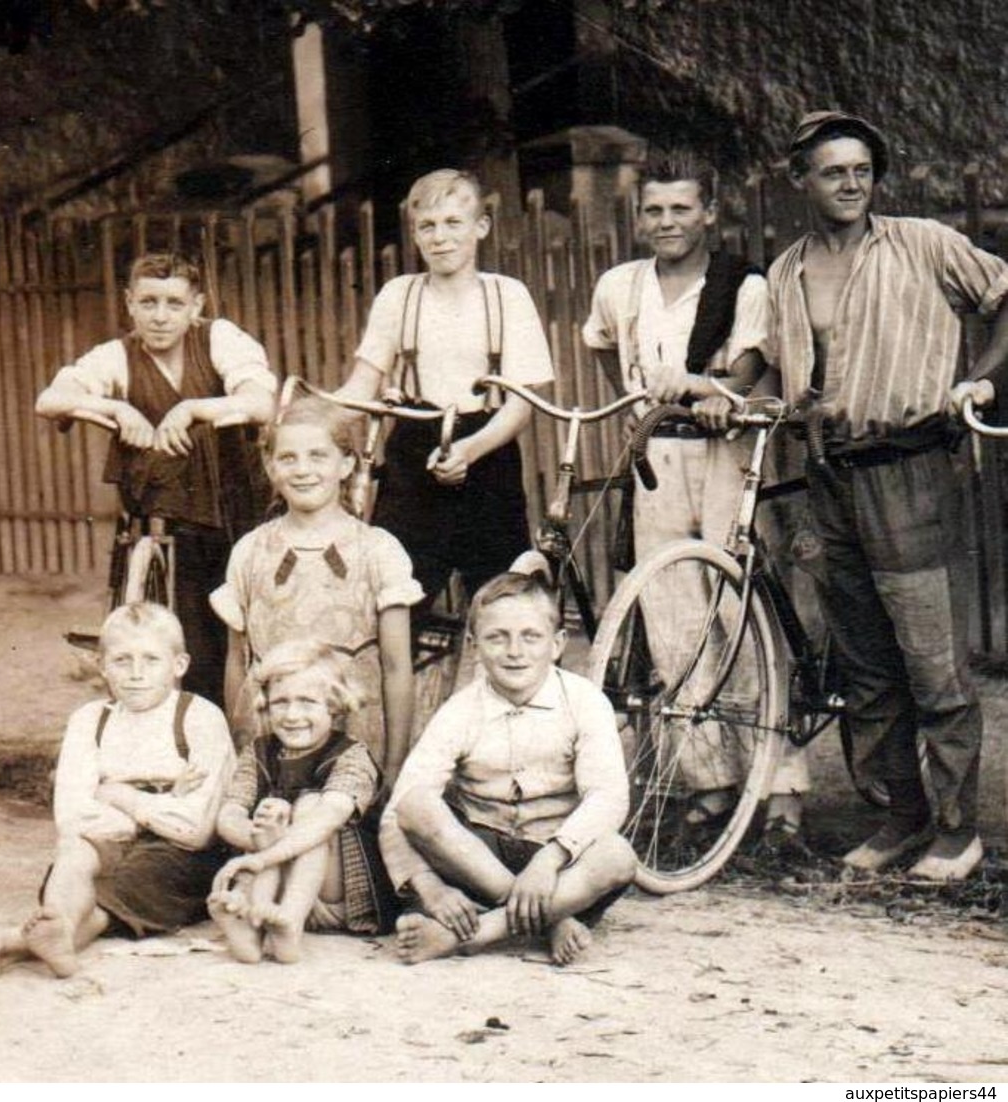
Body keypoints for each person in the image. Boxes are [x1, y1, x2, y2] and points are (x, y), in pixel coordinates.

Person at [771, 111, 1008, 881]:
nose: (849, 182)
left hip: (910, 471)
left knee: (930, 661)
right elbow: (786, 376)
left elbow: (1005, 296)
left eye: (860, 168)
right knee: (865, 667)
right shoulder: (784, 272)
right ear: (799, 180)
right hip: (828, 478)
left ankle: (953, 831)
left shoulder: (923, 244)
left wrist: (982, 378)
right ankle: (896, 816)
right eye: (831, 170)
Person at [581, 151, 809, 841]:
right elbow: (601, 345)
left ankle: (779, 784)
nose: (665, 222)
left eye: (680, 208)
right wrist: (632, 397)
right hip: (656, 457)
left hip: (722, 459)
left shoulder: (740, 284)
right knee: (671, 617)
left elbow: (745, 367)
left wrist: (717, 394)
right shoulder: (620, 286)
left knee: (737, 612)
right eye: (653, 209)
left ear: (708, 212)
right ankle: (708, 780)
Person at [0, 602, 234, 981]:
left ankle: (4, 940)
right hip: (115, 842)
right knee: (73, 851)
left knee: (135, 876)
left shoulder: (199, 718)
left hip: (180, 860)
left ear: (178, 665)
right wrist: (161, 804)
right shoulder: (90, 721)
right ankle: (47, 934)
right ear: (100, 665)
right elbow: (73, 817)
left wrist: (118, 795)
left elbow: (195, 829)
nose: (135, 674)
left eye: (151, 660)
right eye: (121, 660)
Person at [34, 253, 277, 705]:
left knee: (251, 632)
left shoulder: (220, 338)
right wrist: (117, 408)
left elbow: (261, 402)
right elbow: (51, 400)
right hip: (164, 516)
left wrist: (191, 409)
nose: (160, 316)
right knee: (189, 640)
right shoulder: (117, 356)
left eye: (173, 303)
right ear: (129, 303)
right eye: (148, 302)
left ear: (195, 305)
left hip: (236, 508)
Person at [381, 572, 636, 966]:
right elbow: (400, 808)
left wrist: (550, 859)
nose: (514, 651)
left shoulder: (585, 701)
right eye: (496, 637)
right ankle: (551, 920)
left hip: (559, 868)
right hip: (477, 859)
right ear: (474, 646)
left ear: (557, 645)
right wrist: (430, 887)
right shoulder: (461, 711)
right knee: (416, 805)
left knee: (617, 856)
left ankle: (479, 933)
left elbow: (608, 796)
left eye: (530, 636)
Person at [339, 168, 554, 609]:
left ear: (481, 227)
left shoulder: (507, 296)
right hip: (415, 453)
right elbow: (360, 386)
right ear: (414, 233)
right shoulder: (399, 295)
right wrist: (306, 422)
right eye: (427, 226)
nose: (440, 238)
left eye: (453, 223)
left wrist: (470, 451)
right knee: (393, 602)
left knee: (500, 603)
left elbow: (522, 405)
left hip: (488, 454)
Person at [210, 395, 420, 778]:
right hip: (273, 744)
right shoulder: (250, 551)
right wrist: (244, 755)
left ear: (347, 464)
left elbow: (395, 666)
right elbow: (237, 664)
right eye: (288, 458)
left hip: (355, 747)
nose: (303, 470)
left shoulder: (377, 550)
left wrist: (393, 765)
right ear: (270, 466)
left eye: (318, 456)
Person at [207, 640, 397, 964]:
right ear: (265, 703)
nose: (293, 715)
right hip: (272, 896)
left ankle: (292, 922)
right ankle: (250, 932)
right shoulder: (257, 752)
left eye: (307, 701)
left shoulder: (352, 756)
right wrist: (259, 835)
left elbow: (329, 816)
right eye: (280, 702)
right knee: (267, 821)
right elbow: (229, 813)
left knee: (310, 808)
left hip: (339, 898)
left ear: (334, 705)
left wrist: (266, 854)